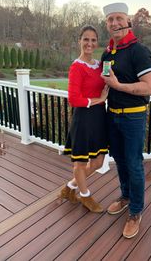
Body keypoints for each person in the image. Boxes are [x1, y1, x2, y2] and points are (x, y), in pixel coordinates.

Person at [101, 3, 151, 238]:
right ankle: (125, 196)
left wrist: (119, 86)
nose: (114, 23)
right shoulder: (108, 53)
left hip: (133, 116)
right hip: (112, 114)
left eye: (118, 18)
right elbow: (105, 84)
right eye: (110, 20)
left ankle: (136, 211)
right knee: (120, 160)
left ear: (128, 21)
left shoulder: (139, 51)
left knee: (133, 164)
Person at [59, 25, 109, 213]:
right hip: (84, 118)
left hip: (99, 118)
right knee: (80, 162)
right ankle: (85, 196)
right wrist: (100, 100)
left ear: (97, 43)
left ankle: (70, 188)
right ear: (79, 41)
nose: (89, 43)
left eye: (93, 40)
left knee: (98, 162)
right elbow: (73, 99)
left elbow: (107, 81)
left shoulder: (99, 65)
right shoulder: (76, 67)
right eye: (86, 39)